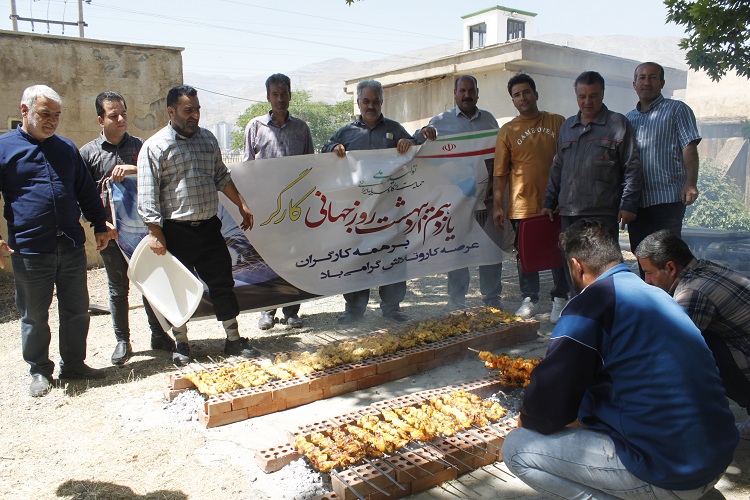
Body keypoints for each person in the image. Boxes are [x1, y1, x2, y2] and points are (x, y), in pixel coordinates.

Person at [502, 219, 738, 499]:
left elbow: (548, 403)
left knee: (517, 447)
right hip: (717, 456)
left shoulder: (589, 306)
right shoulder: (657, 295)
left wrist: (528, 418)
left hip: (671, 471)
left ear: (576, 266)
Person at [0, 85, 112, 397]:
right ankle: (39, 370)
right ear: (25, 111)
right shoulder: (5, 148)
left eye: (57, 115)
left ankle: (74, 364)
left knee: (76, 309)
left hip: (70, 243)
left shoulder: (65, 148)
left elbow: (86, 190)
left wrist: (99, 224)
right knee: (35, 315)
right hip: (30, 247)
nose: (52, 120)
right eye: (45, 114)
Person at [137, 85, 257, 366]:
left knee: (222, 282)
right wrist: (155, 232)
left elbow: (221, 176)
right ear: (171, 111)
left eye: (197, 109)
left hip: (209, 228)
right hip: (175, 231)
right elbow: (147, 194)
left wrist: (241, 203)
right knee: (176, 288)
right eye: (188, 110)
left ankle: (233, 339)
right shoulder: (155, 146)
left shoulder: (207, 140)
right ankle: (182, 344)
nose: (195, 115)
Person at [80, 91, 175, 365]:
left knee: (150, 284)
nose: (121, 119)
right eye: (114, 116)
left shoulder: (142, 147)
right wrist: (100, 223)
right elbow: (81, 195)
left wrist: (134, 169)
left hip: (144, 233)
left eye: (124, 113)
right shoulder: (88, 154)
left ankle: (159, 334)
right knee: (118, 288)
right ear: (100, 119)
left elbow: (160, 178)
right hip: (110, 235)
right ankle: (123, 341)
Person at [635, 229, 750, 438]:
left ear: (670, 268)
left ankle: (700, 428)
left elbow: (667, 352)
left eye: (649, 273)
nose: (647, 281)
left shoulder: (692, 293)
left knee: (691, 350)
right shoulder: (708, 267)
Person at [322, 79, 415, 324]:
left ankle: (392, 309)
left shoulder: (395, 129)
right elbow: (324, 151)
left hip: (389, 210)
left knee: (393, 258)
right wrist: (334, 148)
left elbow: (416, 151)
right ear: (358, 102)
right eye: (366, 101)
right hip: (357, 212)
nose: (370, 106)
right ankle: (354, 310)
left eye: (375, 101)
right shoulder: (346, 132)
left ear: (382, 102)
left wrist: (408, 143)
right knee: (356, 258)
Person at [542, 71, 642, 294]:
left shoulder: (618, 124)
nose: (587, 101)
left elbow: (632, 166)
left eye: (593, 96)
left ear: (603, 94)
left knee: (603, 268)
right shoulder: (567, 127)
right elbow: (558, 166)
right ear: (576, 96)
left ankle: (607, 308)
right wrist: (549, 200)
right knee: (573, 267)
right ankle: (579, 306)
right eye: (582, 96)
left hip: (602, 212)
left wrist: (628, 204)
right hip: (569, 212)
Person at [414, 75, 503, 312]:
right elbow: (416, 142)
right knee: (457, 250)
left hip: (485, 198)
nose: (467, 95)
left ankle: (492, 298)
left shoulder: (490, 120)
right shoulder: (440, 121)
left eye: (471, 90)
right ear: (454, 94)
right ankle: (456, 300)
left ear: (477, 93)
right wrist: (423, 132)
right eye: (462, 91)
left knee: (489, 248)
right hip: (456, 200)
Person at [493, 73, 569, 322]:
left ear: (536, 94)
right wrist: (497, 206)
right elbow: (501, 173)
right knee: (525, 255)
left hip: (556, 204)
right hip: (523, 205)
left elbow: (569, 160)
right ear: (513, 101)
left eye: (526, 92)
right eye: (517, 95)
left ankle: (560, 298)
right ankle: (530, 299)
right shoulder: (508, 131)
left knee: (559, 251)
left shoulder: (557, 121)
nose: (522, 98)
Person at [243, 73, 314, 331]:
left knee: (294, 257)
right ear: (268, 97)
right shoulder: (255, 127)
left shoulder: (301, 129)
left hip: (295, 207)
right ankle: (267, 310)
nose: (280, 99)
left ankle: (292, 310)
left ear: (290, 96)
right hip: (266, 206)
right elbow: (247, 168)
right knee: (267, 258)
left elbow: (310, 165)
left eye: (284, 94)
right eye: (275, 94)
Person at [626, 62, 701, 273]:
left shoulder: (677, 110)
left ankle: (679, 293)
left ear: (662, 83)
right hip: (638, 202)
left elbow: (689, 148)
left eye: (652, 77)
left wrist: (690, 183)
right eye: (642, 78)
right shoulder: (628, 119)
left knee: (668, 257)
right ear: (634, 84)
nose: (647, 82)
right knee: (643, 256)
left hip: (667, 199)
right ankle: (648, 294)